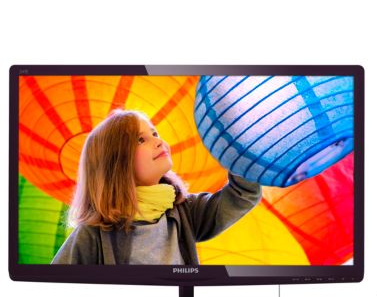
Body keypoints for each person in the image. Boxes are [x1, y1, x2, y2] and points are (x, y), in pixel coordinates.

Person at [51, 109, 262, 265]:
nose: (158, 141)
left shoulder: (185, 210)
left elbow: (242, 195)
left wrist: (239, 152)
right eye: (141, 140)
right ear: (115, 164)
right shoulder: (92, 235)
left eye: (155, 134)